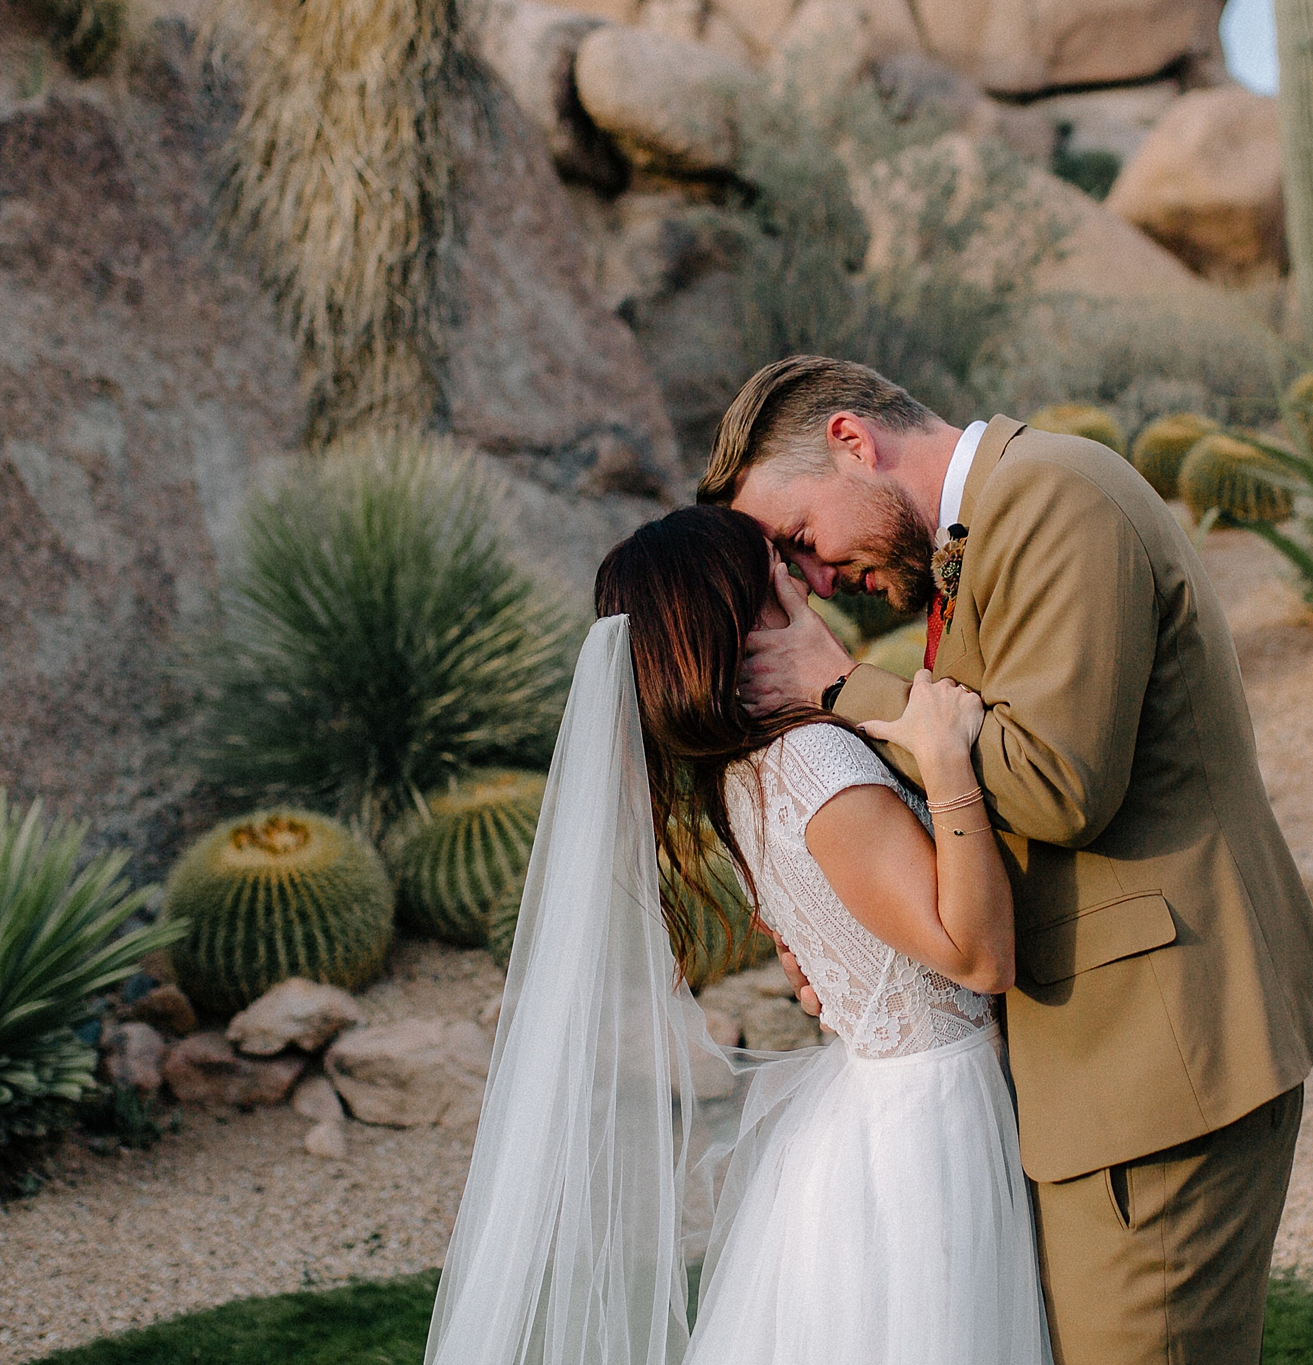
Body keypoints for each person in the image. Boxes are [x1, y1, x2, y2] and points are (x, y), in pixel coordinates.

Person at [701, 355, 1313, 1365]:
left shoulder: (1054, 497)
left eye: (800, 538)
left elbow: (1056, 783)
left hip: (1157, 1059)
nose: (820, 576)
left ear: (851, 442)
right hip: (1098, 1067)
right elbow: (978, 788)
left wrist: (841, 685)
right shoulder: (977, 536)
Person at [424, 504, 1053, 1365]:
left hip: (892, 1102)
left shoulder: (748, 772)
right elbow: (977, 954)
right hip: (931, 1121)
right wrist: (946, 763)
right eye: (777, 574)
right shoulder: (814, 766)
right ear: (740, 613)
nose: (804, 581)